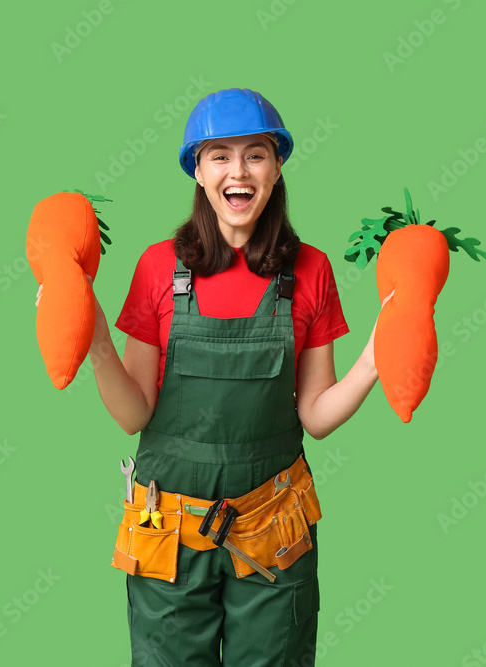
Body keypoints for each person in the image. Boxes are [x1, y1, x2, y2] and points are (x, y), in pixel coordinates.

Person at [87, 88, 380, 666]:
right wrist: (94, 339)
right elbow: (133, 413)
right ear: (198, 172)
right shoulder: (157, 267)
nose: (238, 171)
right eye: (219, 155)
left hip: (275, 526)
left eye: (255, 154)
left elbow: (316, 416)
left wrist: (376, 357)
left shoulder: (310, 269)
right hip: (168, 528)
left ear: (276, 167)